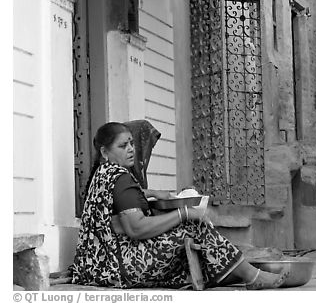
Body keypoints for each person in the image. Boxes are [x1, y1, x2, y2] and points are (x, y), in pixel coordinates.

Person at [70, 122, 288, 289]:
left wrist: (152, 193)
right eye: (123, 145)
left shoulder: (103, 175)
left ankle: (242, 273)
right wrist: (184, 213)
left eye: (132, 143)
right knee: (194, 226)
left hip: (98, 266)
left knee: (192, 235)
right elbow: (136, 228)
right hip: (123, 268)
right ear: (104, 151)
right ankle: (252, 276)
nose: (131, 149)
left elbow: (123, 199)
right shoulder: (120, 178)